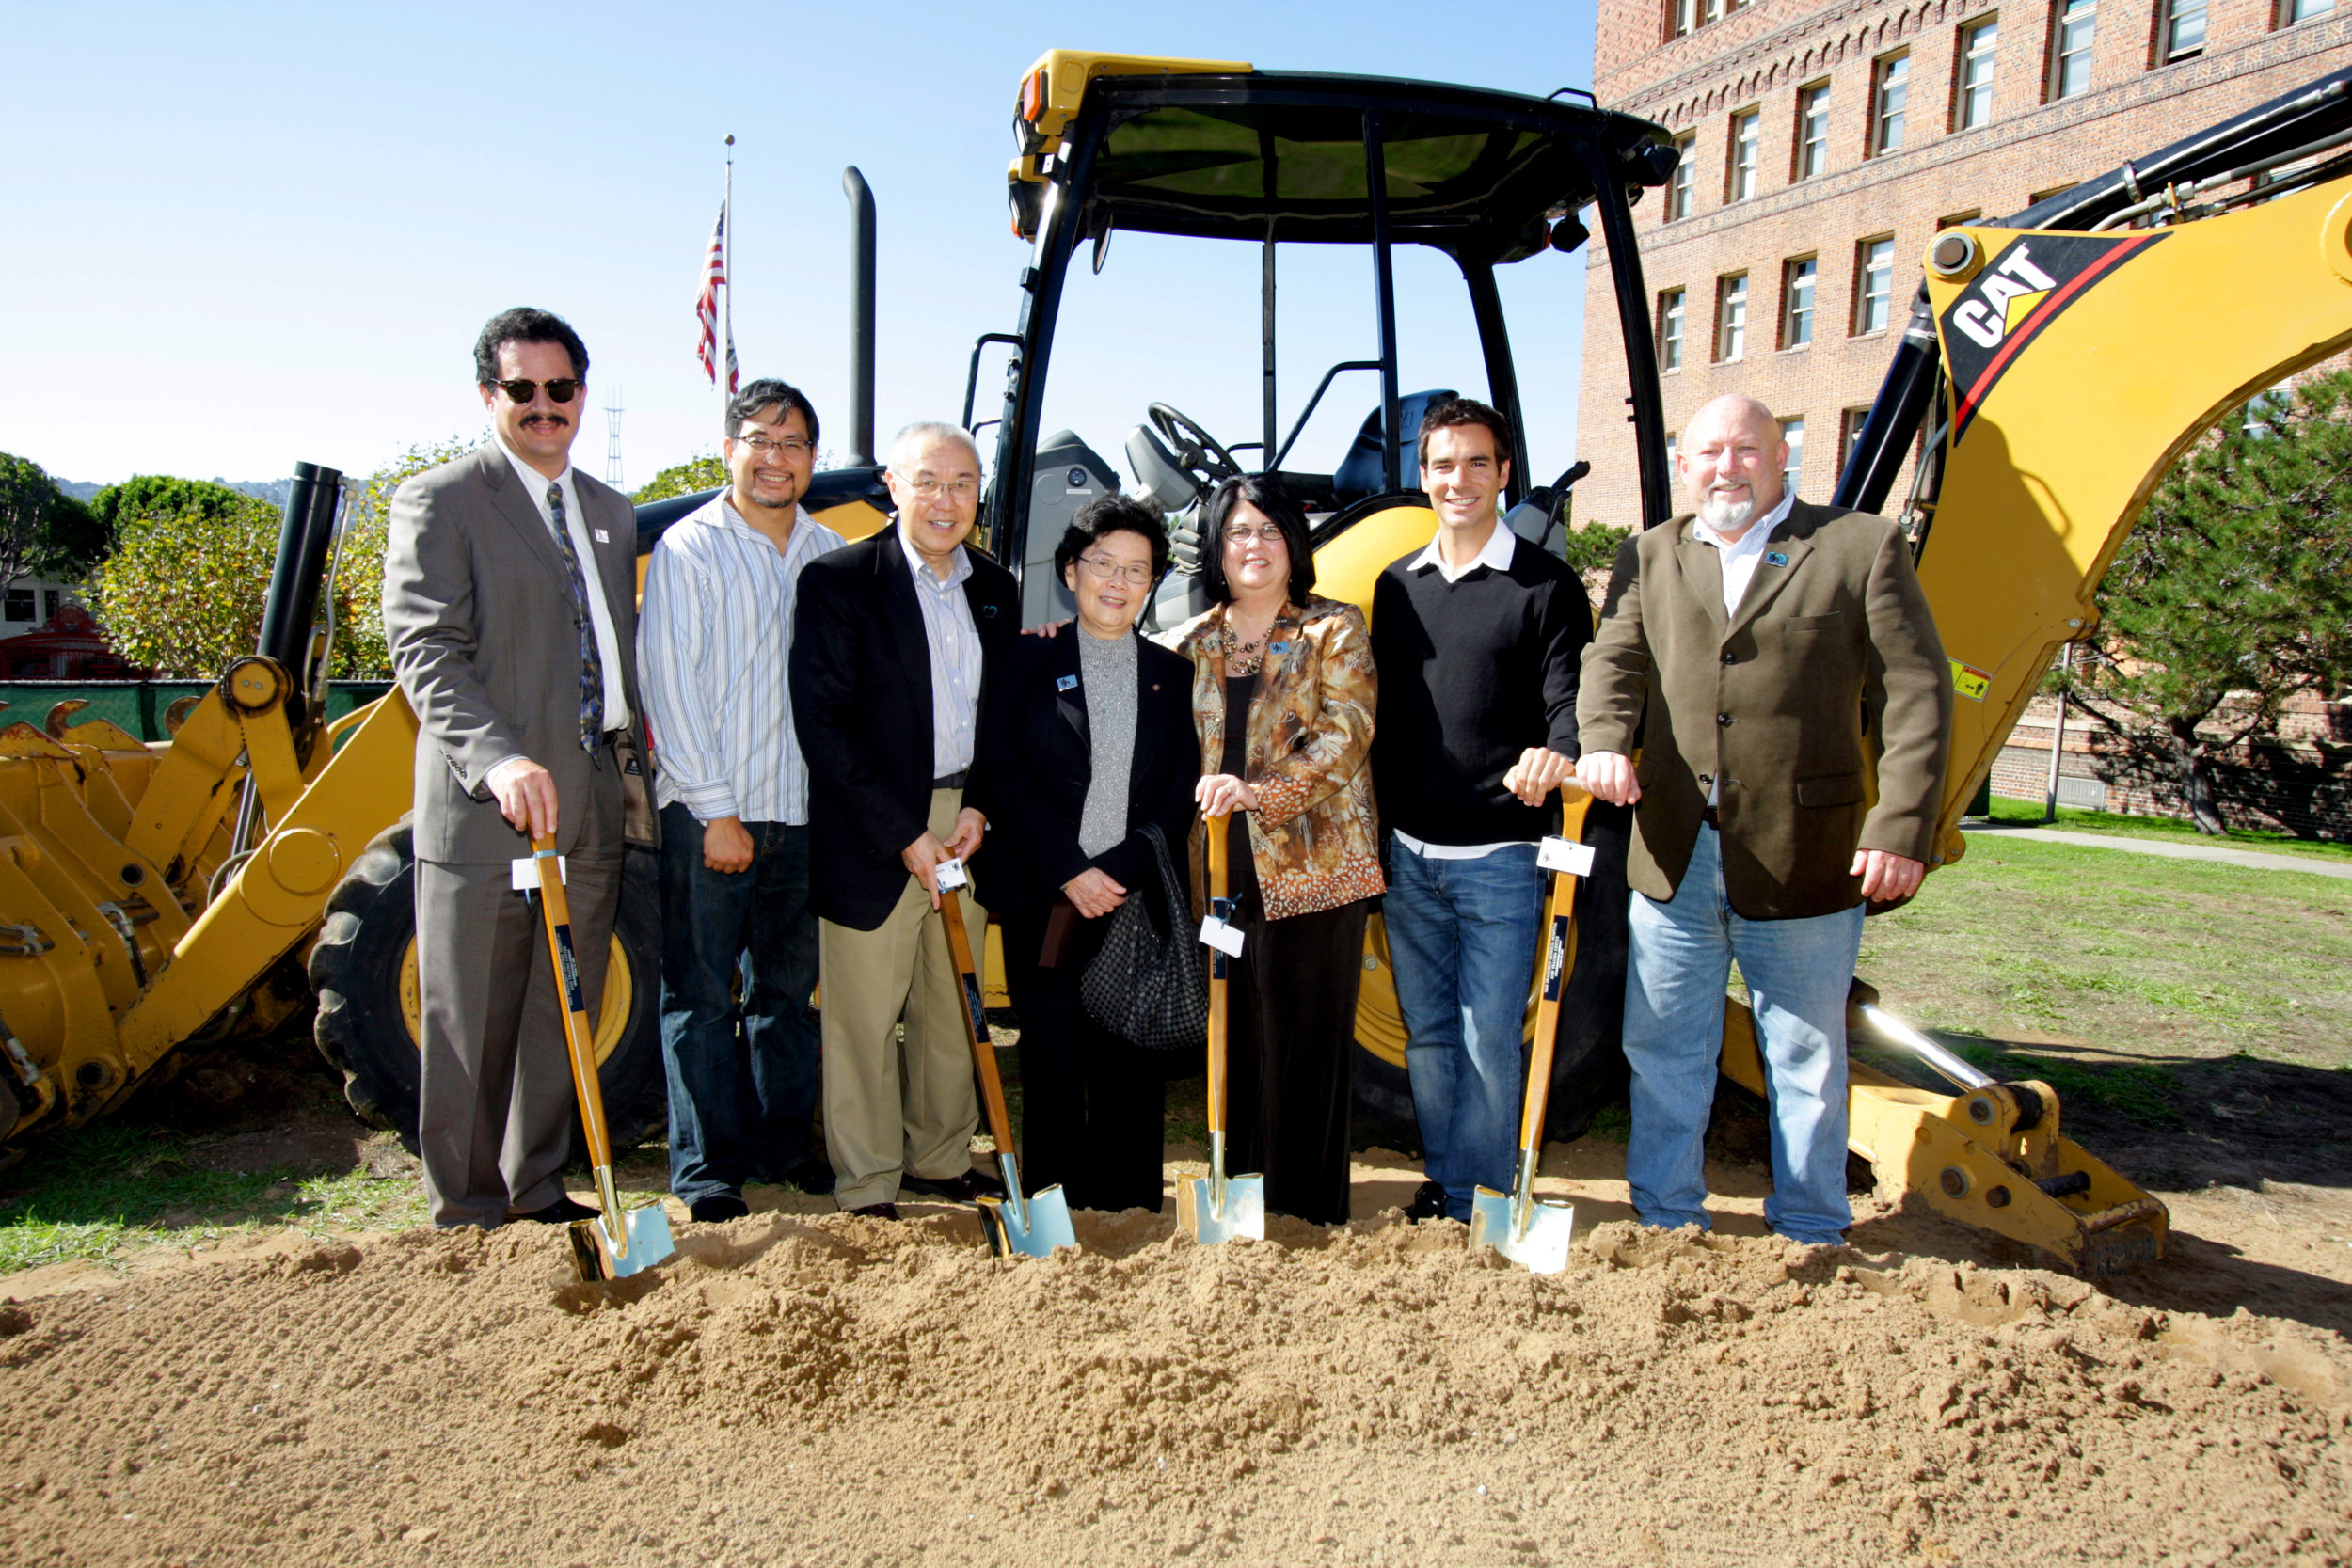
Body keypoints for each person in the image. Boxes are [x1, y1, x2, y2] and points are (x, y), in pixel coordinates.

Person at [1575, 392, 1951, 1245]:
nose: (1726, 467)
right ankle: (1667, 1215)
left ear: (1784, 458)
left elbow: (1917, 691)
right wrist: (1602, 741)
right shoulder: (1652, 554)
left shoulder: (1858, 547)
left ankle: (1812, 1224)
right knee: (1664, 1047)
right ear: (1685, 466)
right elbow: (1615, 662)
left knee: (1806, 1055)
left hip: (1803, 855)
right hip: (1673, 848)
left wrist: (1899, 828)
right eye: (1708, 453)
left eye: (1746, 449)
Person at [383, 307, 653, 1229]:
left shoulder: (612, 514)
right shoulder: (443, 500)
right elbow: (426, 649)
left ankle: (536, 1185)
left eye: (561, 389)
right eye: (522, 389)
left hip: (586, 798)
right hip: (489, 806)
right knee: (474, 1014)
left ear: (582, 392)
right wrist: (496, 758)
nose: (545, 406)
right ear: (488, 395)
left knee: (558, 1006)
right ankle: (466, 1204)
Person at [1369, 397, 1592, 1225]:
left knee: (1488, 1039)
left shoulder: (1547, 586)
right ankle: (1453, 1178)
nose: (1456, 480)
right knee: (1427, 1036)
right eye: (1440, 465)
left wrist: (1559, 751)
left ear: (1504, 473)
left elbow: (1567, 702)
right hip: (1408, 857)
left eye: (1475, 463)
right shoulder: (1397, 587)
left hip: (1499, 859)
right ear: (1422, 477)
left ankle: (1480, 1195)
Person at [790, 422, 1018, 1220]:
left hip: (967, 824)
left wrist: (982, 805)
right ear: (893, 484)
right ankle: (867, 1183)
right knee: (863, 1017)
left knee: (954, 1008)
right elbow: (825, 723)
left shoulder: (996, 585)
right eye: (929, 481)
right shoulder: (838, 582)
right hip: (876, 829)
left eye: (962, 484)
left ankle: (939, 1156)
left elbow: (1003, 714)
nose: (946, 500)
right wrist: (905, 834)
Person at [637, 378, 845, 1224]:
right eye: (760, 438)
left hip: (803, 813)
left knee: (787, 999)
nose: (776, 456)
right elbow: (670, 688)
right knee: (698, 995)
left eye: (794, 443)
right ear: (730, 448)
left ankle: (782, 1147)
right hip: (711, 813)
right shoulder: (689, 550)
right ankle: (707, 1166)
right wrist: (717, 811)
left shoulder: (830, 551)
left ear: (811, 460)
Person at [1167, 474, 1382, 1225]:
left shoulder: (1334, 629)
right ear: (1216, 551)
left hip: (1316, 868)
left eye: (1266, 529)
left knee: (1307, 1045)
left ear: (1293, 541)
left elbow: (1346, 732)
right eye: (1236, 532)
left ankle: (1308, 1208)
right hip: (1224, 874)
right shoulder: (1191, 643)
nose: (1251, 545)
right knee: (1239, 1040)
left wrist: (1260, 793)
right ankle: (1246, 1198)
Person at [983, 496, 1199, 1213]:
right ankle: (1052, 1211)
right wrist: (1070, 871)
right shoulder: (1025, 656)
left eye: (1136, 568)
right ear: (1071, 570)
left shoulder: (1173, 677)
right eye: (1102, 562)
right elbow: (1003, 773)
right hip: (1044, 896)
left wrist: (1121, 870)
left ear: (1152, 584)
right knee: (1050, 1056)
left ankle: (1129, 1206)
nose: (1117, 580)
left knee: (1131, 1059)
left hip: (1131, 896)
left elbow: (1177, 792)